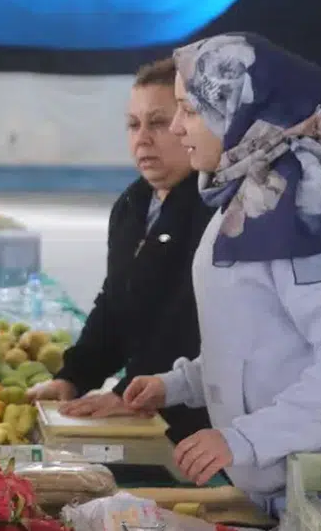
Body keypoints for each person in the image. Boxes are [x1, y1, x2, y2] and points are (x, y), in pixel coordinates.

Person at [123, 33, 321, 516]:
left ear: (241, 114)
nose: (175, 128)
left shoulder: (305, 209)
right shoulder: (249, 198)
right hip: (293, 478)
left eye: (189, 110)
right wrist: (178, 384)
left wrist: (243, 439)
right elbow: (259, 343)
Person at [28, 58, 214, 444]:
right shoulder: (132, 205)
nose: (142, 138)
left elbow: (186, 325)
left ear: (191, 122)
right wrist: (73, 377)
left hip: (202, 423)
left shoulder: (215, 212)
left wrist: (124, 394)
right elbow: (115, 304)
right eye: (133, 125)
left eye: (158, 123)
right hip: (141, 407)